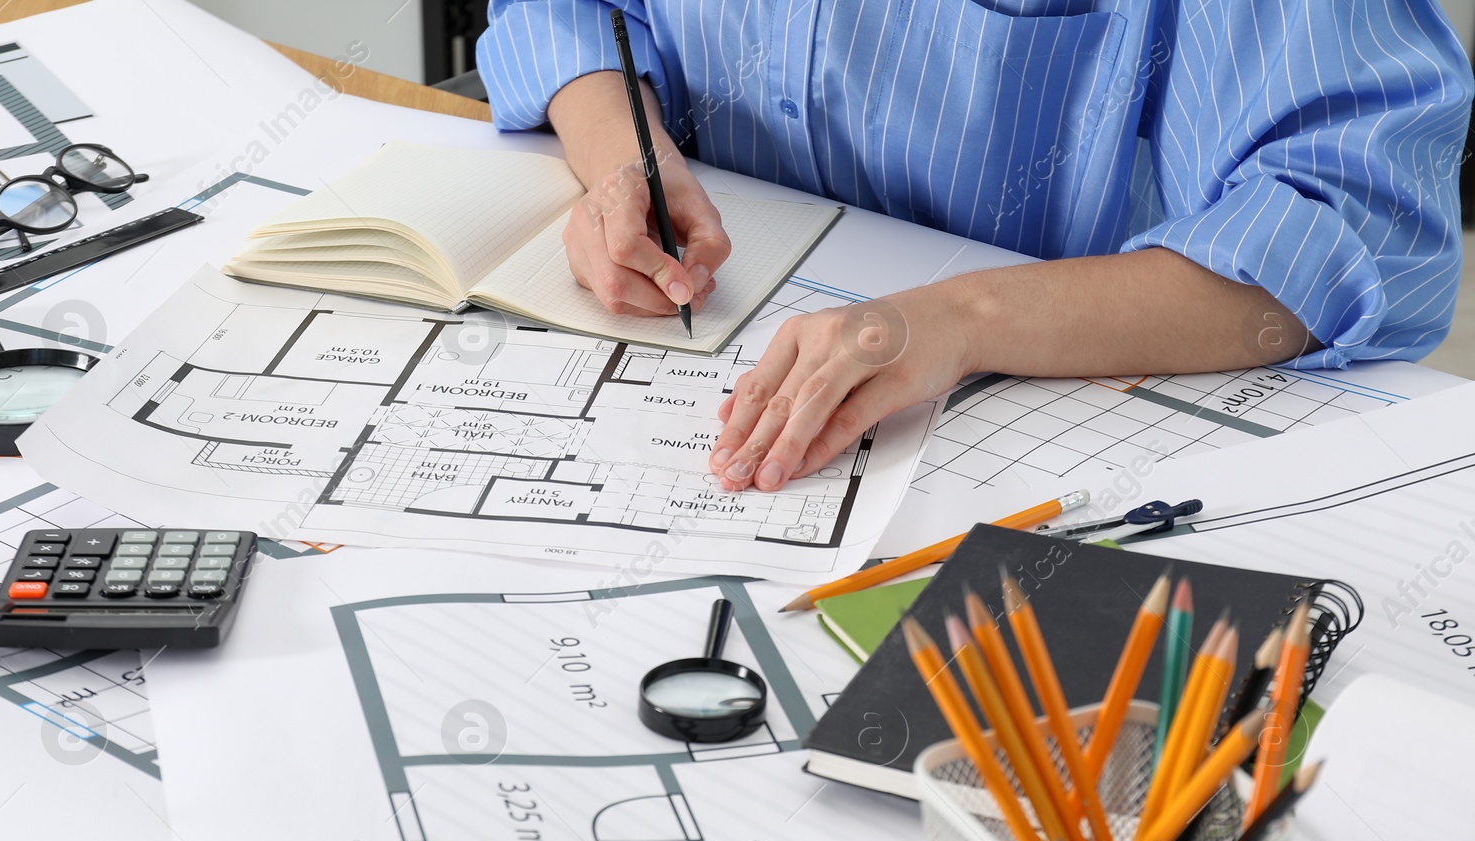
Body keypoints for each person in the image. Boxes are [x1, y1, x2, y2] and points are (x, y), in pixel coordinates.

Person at [478, 2, 1472, 493]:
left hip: (1045, 422)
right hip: (707, 334)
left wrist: (962, 320)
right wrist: (624, 157)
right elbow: (565, 10)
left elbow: (1358, 224)